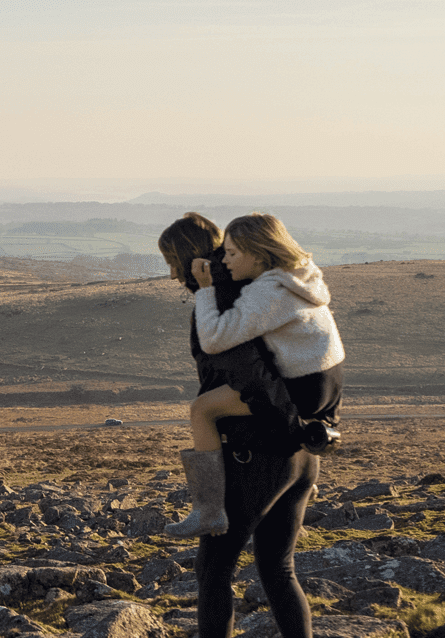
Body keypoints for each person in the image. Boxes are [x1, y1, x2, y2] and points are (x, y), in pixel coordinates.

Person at [173, 212, 347, 638]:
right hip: (303, 450)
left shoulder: (266, 292)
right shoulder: (301, 281)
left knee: (214, 569)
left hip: (265, 451)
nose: (226, 259)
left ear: (258, 252)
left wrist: (206, 292)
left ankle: (206, 506)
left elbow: (219, 343)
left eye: (233, 253)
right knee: (278, 568)